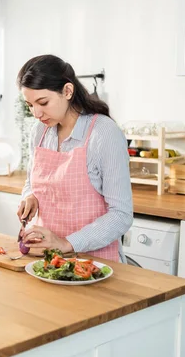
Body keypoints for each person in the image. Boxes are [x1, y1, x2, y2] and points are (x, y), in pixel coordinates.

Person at [17, 54, 133, 263]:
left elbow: (121, 215)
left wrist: (66, 244)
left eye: (43, 102)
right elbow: (30, 182)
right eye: (30, 105)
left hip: (96, 264)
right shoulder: (40, 131)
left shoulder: (104, 133)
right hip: (50, 262)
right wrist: (30, 197)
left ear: (68, 91)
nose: (36, 113)